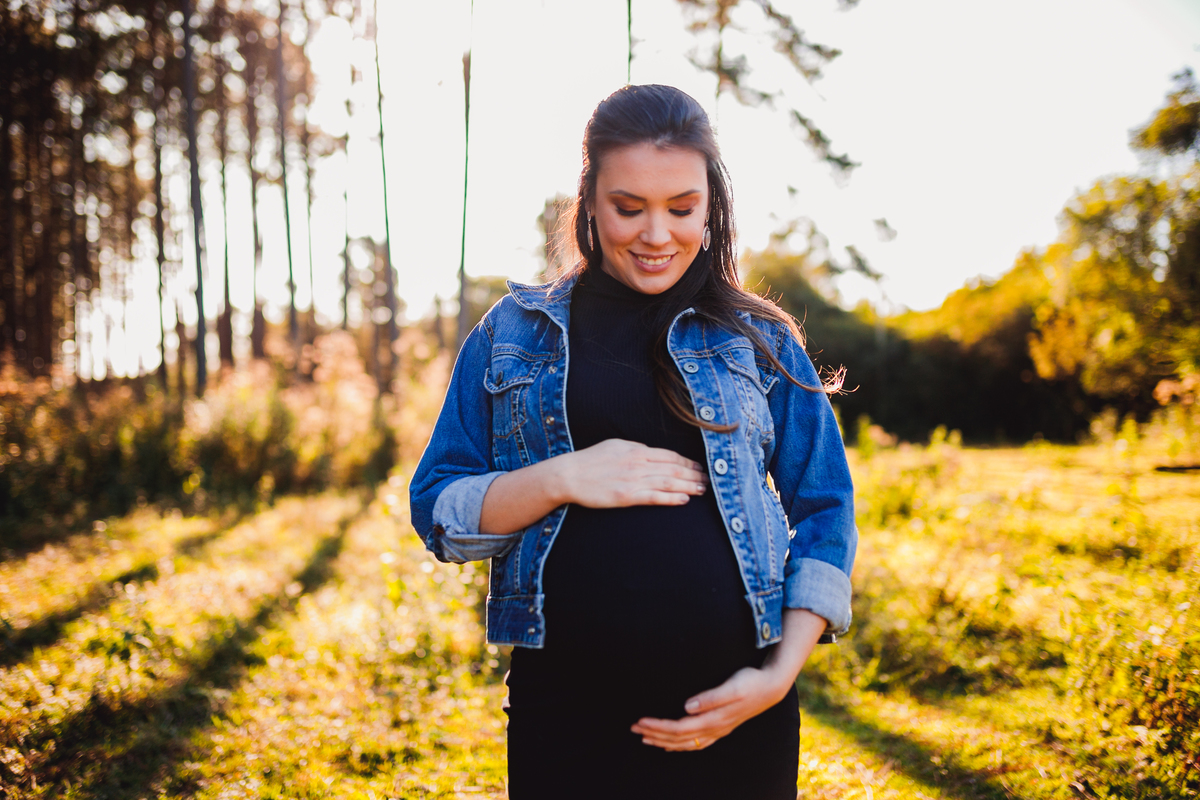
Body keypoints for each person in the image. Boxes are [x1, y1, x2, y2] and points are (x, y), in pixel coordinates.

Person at [410, 84, 856, 800]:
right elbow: (439, 508)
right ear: (589, 200)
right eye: (629, 207)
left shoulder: (759, 338)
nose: (657, 234)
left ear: (712, 203)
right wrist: (564, 476)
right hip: (567, 719)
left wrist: (778, 679)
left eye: (682, 208)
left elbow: (825, 506)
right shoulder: (513, 332)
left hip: (738, 716)